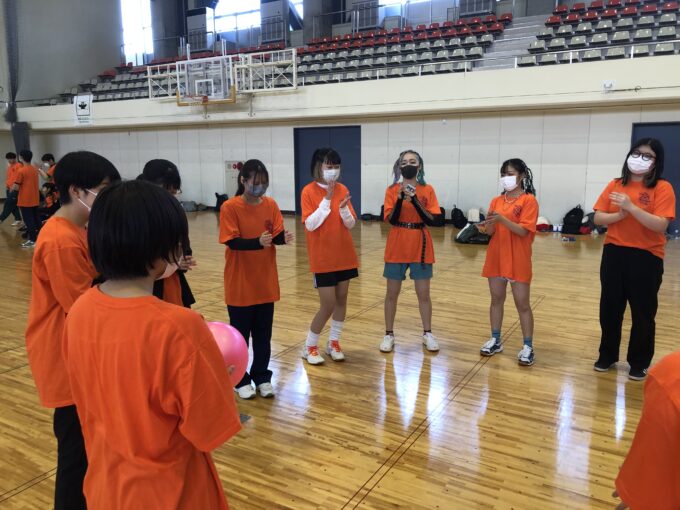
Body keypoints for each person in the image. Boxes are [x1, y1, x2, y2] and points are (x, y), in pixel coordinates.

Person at [63, 179, 241, 509]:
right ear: (160, 246)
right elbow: (208, 431)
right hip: (172, 495)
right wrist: (218, 382)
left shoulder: (79, 311)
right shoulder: (180, 327)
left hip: (106, 490)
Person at [24, 151, 121, 510]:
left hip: (78, 355)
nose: (107, 198)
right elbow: (82, 306)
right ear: (77, 190)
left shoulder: (77, 230)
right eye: (103, 190)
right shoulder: (60, 240)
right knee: (75, 457)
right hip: (66, 360)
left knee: (86, 451)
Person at [592, 138, 676, 381]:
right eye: (637, 153)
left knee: (642, 312)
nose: (640, 159)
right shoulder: (615, 184)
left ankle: (638, 363)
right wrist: (619, 215)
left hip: (647, 256)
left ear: (656, 162)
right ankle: (607, 355)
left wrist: (631, 208)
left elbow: (660, 225)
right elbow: (598, 218)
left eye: (647, 156)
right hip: (614, 253)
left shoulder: (662, 188)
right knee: (610, 308)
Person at [219, 159, 294, 399]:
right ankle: (239, 378)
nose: (260, 186)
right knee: (240, 337)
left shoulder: (270, 204)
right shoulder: (230, 207)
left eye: (264, 182)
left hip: (265, 283)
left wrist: (282, 239)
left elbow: (274, 235)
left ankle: (261, 375)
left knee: (263, 336)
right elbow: (232, 241)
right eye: (256, 182)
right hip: (240, 284)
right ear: (243, 181)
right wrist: (257, 242)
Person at [380, 150, 444, 354]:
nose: (408, 164)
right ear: (400, 167)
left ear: (419, 166)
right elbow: (391, 219)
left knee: (423, 294)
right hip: (397, 242)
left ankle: (428, 333)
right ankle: (388, 334)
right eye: (404, 162)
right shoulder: (392, 190)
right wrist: (400, 199)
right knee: (392, 293)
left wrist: (414, 199)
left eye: (412, 161)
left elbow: (434, 220)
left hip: (420, 243)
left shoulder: (427, 189)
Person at [478, 159, 539, 366]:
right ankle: (495, 339)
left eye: (510, 174)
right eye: (503, 174)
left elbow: (523, 231)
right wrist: (487, 225)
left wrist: (501, 219)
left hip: (518, 258)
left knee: (522, 304)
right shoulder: (496, 200)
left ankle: (528, 346)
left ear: (522, 176)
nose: (506, 178)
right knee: (496, 299)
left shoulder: (529, 201)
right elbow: (491, 231)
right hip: (496, 256)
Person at [301, 148, 358, 365]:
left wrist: (343, 210)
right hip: (322, 258)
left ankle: (333, 342)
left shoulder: (343, 189)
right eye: (329, 166)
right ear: (319, 167)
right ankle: (309, 346)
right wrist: (326, 200)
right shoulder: (308, 191)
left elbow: (351, 223)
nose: (333, 170)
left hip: (344, 255)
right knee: (328, 304)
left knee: (341, 300)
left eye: (336, 166)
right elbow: (310, 224)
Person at [613, 350, 680, 509]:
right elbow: (654, 447)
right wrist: (640, 482)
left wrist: (639, 484)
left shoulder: (669, 371)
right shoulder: (670, 373)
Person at [138, 159, 196, 308]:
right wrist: (170, 264)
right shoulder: (135, 215)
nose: (169, 197)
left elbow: (185, 248)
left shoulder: (174, 212)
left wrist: (182, 262)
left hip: (173, 289)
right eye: (165, 191)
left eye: (173, 192)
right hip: (144, 290)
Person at [12, 150, 40, 247]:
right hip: (35, 198)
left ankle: (33, 240)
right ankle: (40, 238)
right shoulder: (34, 169)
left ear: (21, 157)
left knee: (28, 221)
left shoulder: (21, 170)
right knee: (36, 219)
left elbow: (16, 187)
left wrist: (12, 187)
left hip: (25, 200)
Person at [0, 152, 22, 225]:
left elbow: (19, 177)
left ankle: (1, 218)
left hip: (15, 189)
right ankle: (18, 219)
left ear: (14, 158)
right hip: (9, 188)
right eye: (8, 159)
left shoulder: (19, 165)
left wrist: (14, 187)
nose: (9, 160)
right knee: (13, 205)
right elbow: (9, 177)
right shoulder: (9, 167)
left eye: (10, 159)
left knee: (8, 204)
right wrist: (7, 186)